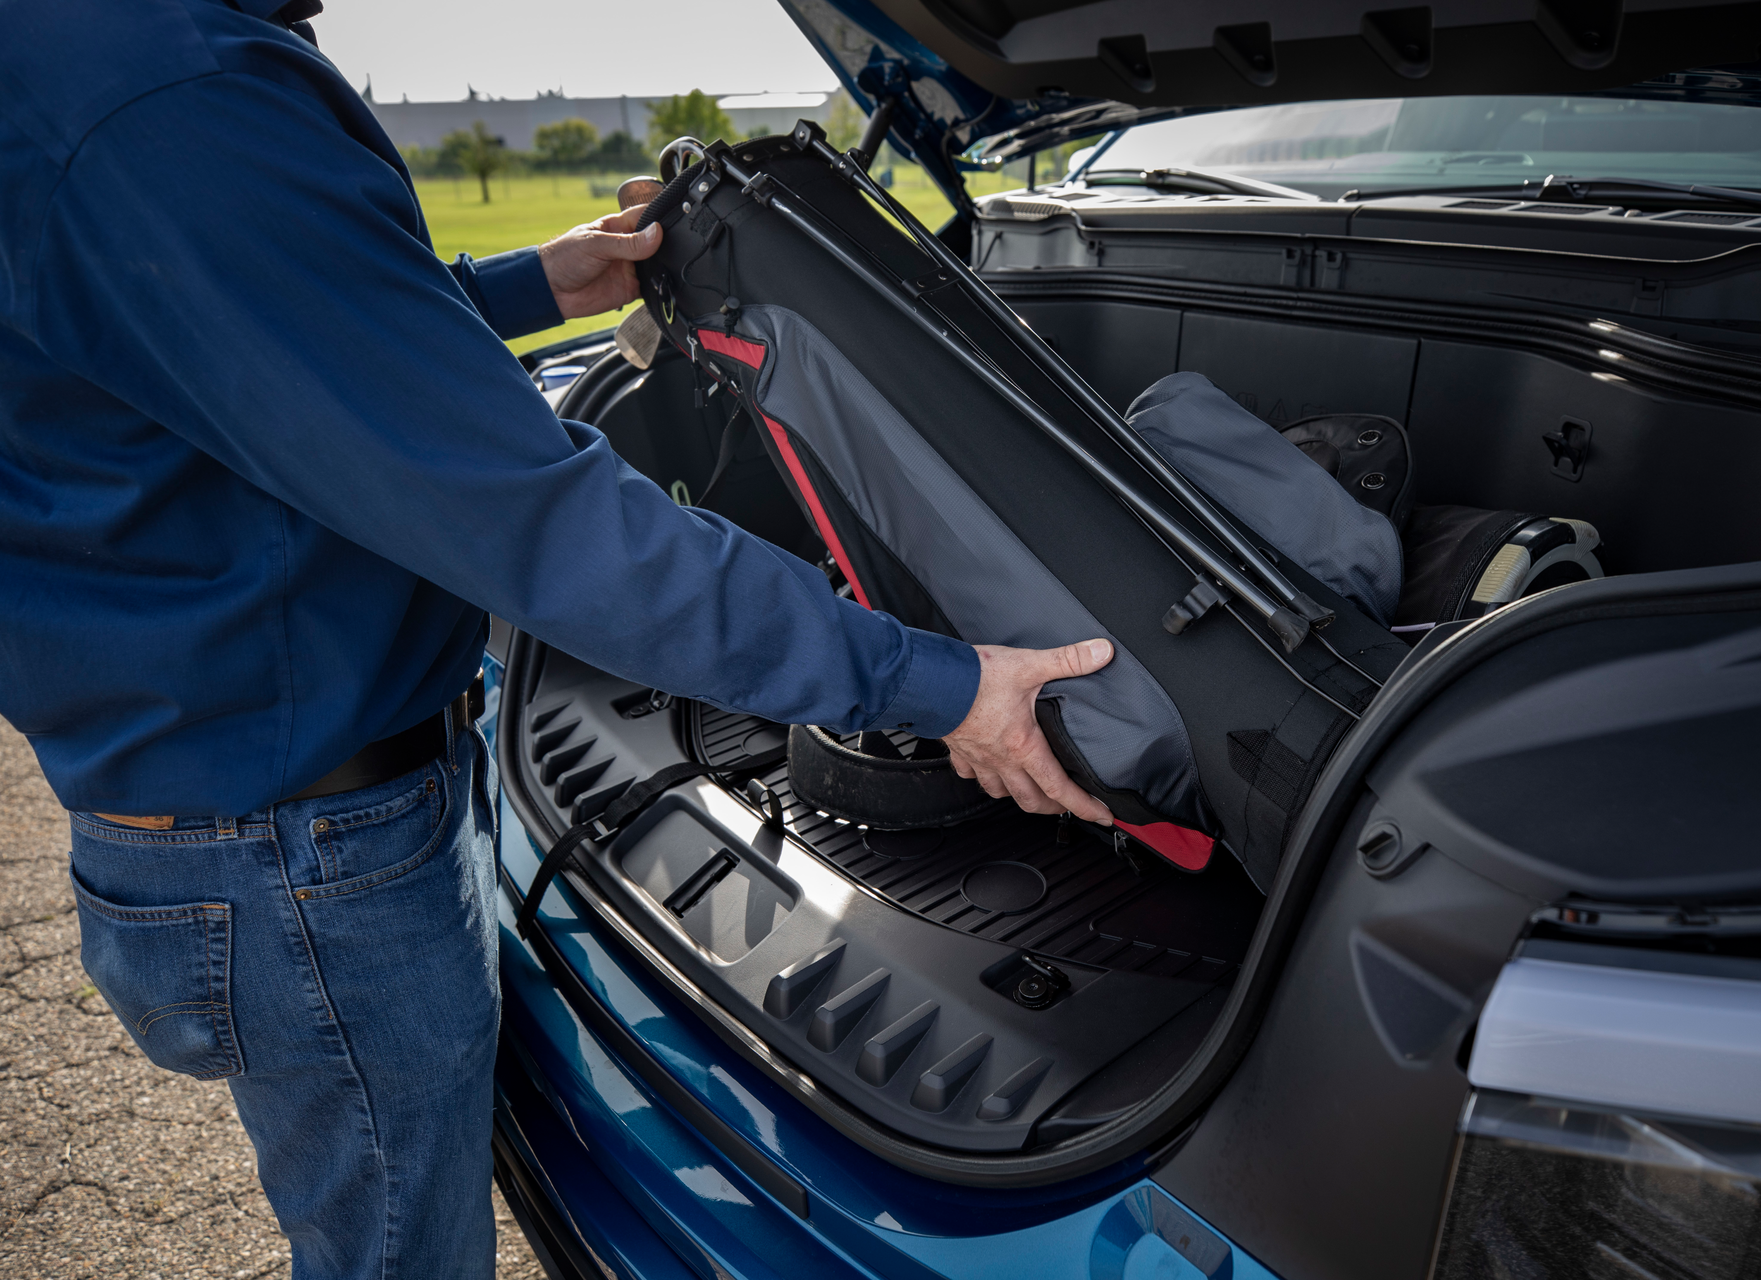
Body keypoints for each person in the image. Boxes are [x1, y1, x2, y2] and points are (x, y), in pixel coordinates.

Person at [0, 1, 1115, 1275]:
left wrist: (532, 283)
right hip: (299, 859)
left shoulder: (78, 59)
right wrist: (934, 681)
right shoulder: (161, 93)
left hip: (245, 810)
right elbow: (535, 522)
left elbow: (263, 348)